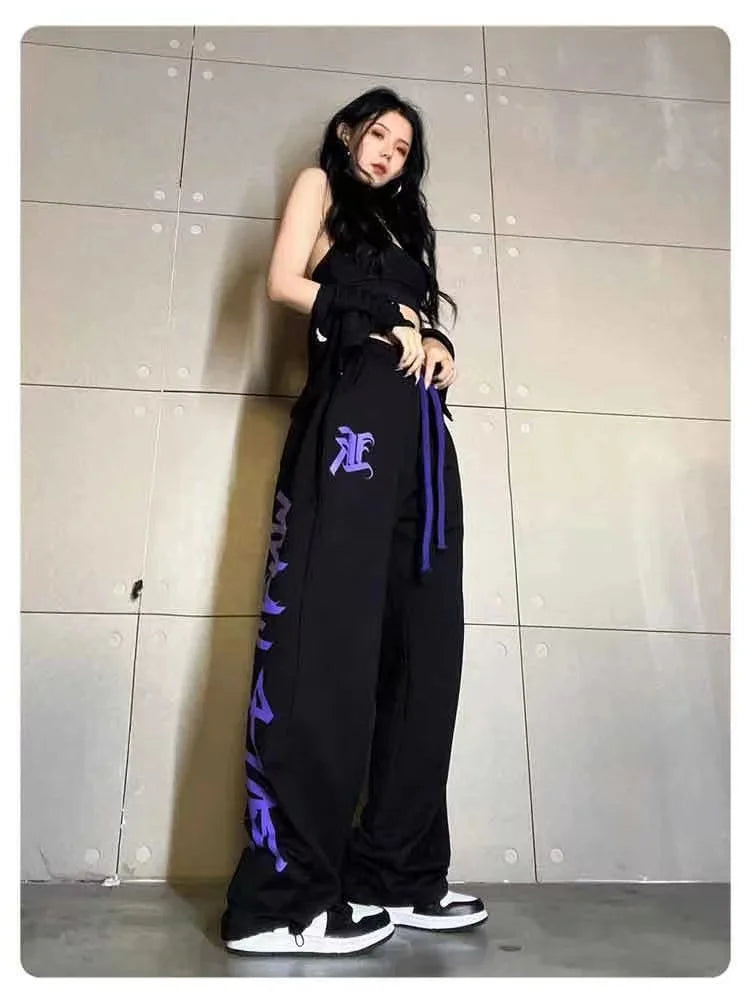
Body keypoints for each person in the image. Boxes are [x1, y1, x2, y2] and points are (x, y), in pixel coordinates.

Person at [221, 86, 488, 957]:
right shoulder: (321, 187)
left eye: (403, 148)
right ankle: (285, 899)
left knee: (425, 656)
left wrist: (438, 342)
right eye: (379, 135)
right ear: (348, 133)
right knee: (324, 651)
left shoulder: (407, 228)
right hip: (351, 431)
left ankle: (395, 873)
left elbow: (414, 319)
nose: (388, 153)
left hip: (422, 443)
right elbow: (282, 283)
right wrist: (374, 315)